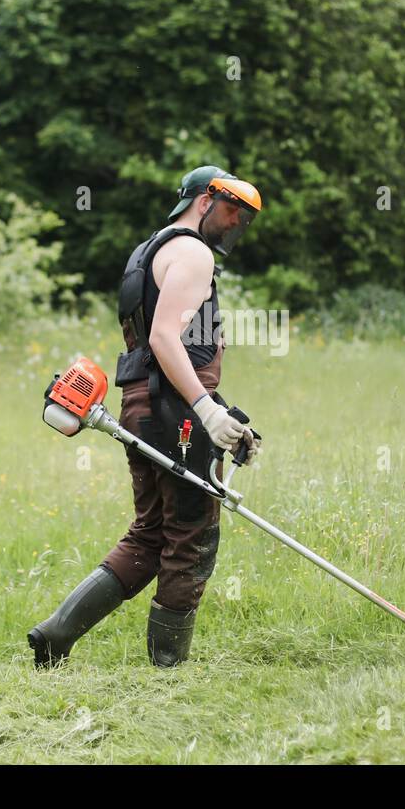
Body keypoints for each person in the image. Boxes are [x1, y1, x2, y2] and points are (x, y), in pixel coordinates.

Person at [28, 165, 263, 668]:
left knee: (153, 532)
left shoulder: (148, 251)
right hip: (174, 411)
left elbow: (159, 355)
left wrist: (221, 415)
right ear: (203, 201)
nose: (235, 223)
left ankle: (56, 633)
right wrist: (204, 410)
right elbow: (163, 339)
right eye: (231, 210)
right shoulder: (194, 252)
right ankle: (167, 672)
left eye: (243, 218)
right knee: (192, 535)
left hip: (143, 406)